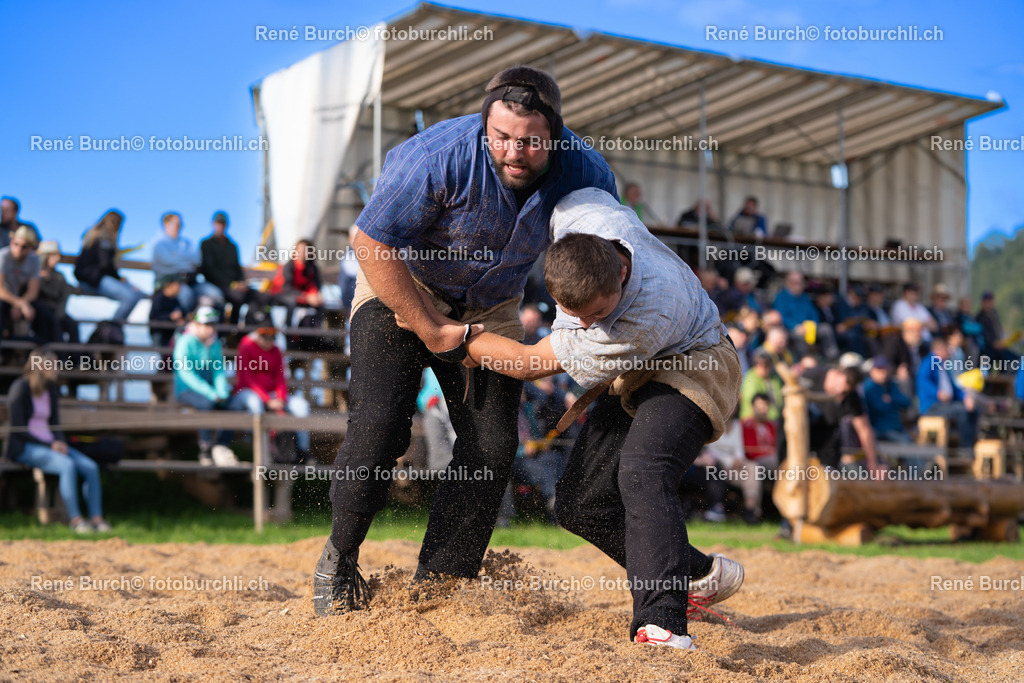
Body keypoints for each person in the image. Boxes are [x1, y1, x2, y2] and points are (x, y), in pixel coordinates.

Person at [312, 65, 617, 618]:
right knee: (381, 426)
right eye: (500, 138)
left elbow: (603, 264)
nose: (514, 152)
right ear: (484, 126)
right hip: (401, 283)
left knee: (493, 443)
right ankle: (341, 554)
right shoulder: (434, 156)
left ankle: (442, 583)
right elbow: (371, 242)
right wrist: (429, 326)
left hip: (494, 305)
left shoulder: (588, 174)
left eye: (530, 142)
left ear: (556, 134)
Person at [457, 188, 744, 651]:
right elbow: (584, 177)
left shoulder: (650, 309)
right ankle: (694, 573)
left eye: (597, 314)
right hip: (636, 373)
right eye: (575, 314)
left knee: (643, 470)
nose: (587, 325)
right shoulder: (582, 215)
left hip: (696, 362)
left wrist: (452, 338)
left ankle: (663, 624)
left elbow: (529, 362)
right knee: (579, 504)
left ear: (623, 271)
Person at [4, 349, 112, 533]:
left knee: (91, 467)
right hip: (25, 447)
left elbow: (55, 425)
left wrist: (60, 442)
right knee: (67, 465)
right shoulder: (20, 388)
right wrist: (50, 445)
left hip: (51, 445)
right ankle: (76, 521)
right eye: (52, 364)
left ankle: (96, 519)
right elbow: (18, 430)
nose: (57, 368)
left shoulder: (50, 391)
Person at [172, 306, 247, 465]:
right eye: (207, 325)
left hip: (210, 390)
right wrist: (211, 393)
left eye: (212, 325)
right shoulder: (185, 341)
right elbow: (186, 374)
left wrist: (222, 392)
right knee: (206, 404)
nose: (210, 328)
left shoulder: (214, 343)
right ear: (197, 324)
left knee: (232, 405)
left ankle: (221, 446)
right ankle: (205, 450)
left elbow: (218, 370)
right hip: (186, 389)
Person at [234, 323, 311, 462]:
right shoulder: (245, 346)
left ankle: (303, 453)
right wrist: (267, 401)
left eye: (272, 337)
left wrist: (281, 399)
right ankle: (261, 451)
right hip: (248, 393)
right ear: (257, 335)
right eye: (265, 336)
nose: (268, 340)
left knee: (302, 406)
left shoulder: (276, 350)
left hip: (272, 396)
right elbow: (247, 378)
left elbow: (281, 378)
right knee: (255, 405)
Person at [73, 210, 144, 322]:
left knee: (137, 293)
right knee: (132, 297)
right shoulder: (105, 238)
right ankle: (111, 329)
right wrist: (120, 279)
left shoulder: (93, 235)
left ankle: (111, 329)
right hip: (94, 279)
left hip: (89, 278)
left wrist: (121, 280)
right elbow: (105, 265)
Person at [153, 212, 222, 313]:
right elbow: (168, 261)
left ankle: (207, 326)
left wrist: (177, 259)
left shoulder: (186, 243)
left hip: (191, 280)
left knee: (216, 294)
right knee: (186, 295)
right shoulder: (159, 243)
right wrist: (185, 261)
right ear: (166, 224)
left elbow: (197, 260)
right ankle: (184, 327)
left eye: (180, 224)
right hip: (169, 282)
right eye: (176, 224)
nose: (179, 227)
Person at [917, 335, 978, 448]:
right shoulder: (929, 362)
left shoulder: (942, 365)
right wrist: (937, 393)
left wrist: (965, 397)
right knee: (961, 410)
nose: (950, 352)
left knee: (973, 410)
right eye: (947, 349)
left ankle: (971, 443)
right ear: (940, 349)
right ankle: (964, 447)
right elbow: (923, 380)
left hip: (945, 404)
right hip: (932, 406)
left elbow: (953, 388)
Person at [200, 211, 258, 325]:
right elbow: (208, 271)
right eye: (218, 223)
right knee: (236, 297)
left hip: (234, 285)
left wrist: (242, 282)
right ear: (213, 224)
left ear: (226, 225)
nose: (220, 226)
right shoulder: (206, 244)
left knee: (256, 296)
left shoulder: (232, 246)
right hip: (216, 284)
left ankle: (240, 330)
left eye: (222, 223)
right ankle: (230, 329)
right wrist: (232, 284)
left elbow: (237, 267)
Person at [0, 226, 54, 343]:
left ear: (30, 248)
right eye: (16, 244)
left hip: (22, 297)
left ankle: (43, 350)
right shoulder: (3, 256)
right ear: (11, 241)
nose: (18, 248)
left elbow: (33, 291)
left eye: (23, 246)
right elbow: (0, 289)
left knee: (45, 314)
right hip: (5, 297)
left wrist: (20, 303)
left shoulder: (34, 260)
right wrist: (20, 304)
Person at [739, 393, 778, 523]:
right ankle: (754, 513)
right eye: (759, 406)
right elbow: (748, 450)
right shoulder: (746, 425)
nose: (763, 409)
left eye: (765, 406)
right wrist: (769, 451)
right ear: (753, 407)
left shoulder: (772, 426)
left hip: (770, 463)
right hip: (754, 461)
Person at [269, 239, 323, 324]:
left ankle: (315, 333)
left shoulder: (312, 268)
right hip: (282, 295)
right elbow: (286, 289)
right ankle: (289, 333)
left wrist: (316, 296)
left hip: (302, 297)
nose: (302, 253)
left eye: (306, 250)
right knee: (291, 302)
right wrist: (306, 297)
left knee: (320, 304)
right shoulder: (289, 266)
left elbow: (315, 286)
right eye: (300, 250)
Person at [35, 241, 79, 344]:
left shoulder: (59, 276)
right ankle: (59, 356)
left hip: (57, 310)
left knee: (72, 324)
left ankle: (76, 357)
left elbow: (65, 295)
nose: (57, 259)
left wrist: (59, 313)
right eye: (54, 255)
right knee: (53, 324)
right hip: (41, 311)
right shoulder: (35, 274)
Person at [862, 356, 912, 443]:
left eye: (885, 369)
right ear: (872, 371)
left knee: (913, 445)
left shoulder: (891, 384)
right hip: (880, 430)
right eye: (879, 369)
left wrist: (892, 399)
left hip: (897, 427)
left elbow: (906, 402)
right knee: (908, 447)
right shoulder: (869, 387)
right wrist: (895, 404)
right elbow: (879, 407)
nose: (883, 373)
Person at [975, 291, 1017, 369]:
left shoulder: (994, 314)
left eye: (990, 301)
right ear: (983, 302)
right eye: (987, 301)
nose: (989, 303)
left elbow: (998, 330)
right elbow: (983, 334)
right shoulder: (980, 317)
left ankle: (1006, 376)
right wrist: (994, 343)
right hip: (988, 348)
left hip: (999, 345)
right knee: (1005, 359)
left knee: (1014, 358)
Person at [740, 348, 783, 420]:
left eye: (766, 365)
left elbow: (780, 399)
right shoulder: (750, 378)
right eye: (760, 364)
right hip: (753, 420)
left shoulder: (775, 379)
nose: (764, 368)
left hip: (775, 419)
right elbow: (756, 403)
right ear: (755, 365)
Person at [149, 274, 186, 347]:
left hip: (169, 333)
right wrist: (170, 316)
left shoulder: (175, 299)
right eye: (178, 285)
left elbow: (182, 312)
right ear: (169, 285)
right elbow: (153, 316)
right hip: (158, 333)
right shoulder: (159, 298)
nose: (180, 288)